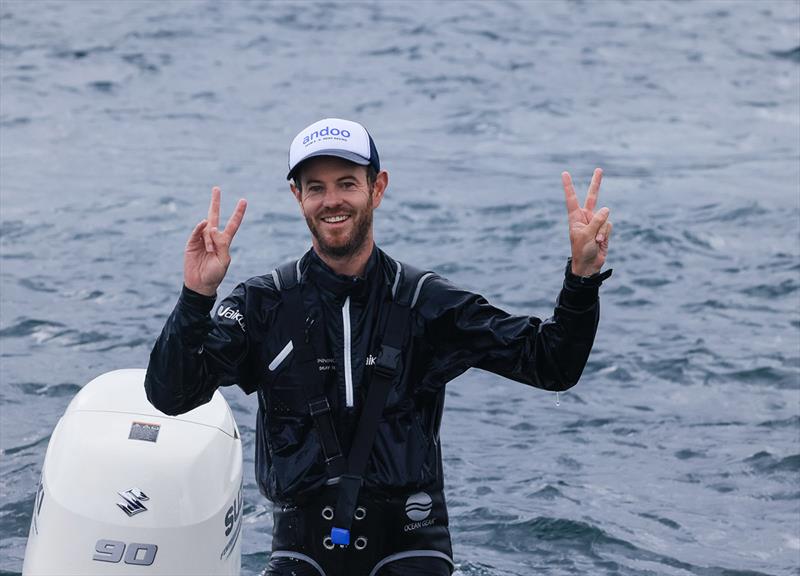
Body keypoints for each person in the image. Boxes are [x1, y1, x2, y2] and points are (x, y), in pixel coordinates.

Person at [145, 118, 613, 576]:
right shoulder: (263, 304)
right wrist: (195, 297)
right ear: (297, 196)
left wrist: (582, 279)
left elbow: (551, 364)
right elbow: (171, 395)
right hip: (301, 551)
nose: (332, 201)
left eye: (347, 183)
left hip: (411, 545)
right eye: (316, 187)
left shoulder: (425, 302)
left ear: (378, 187)